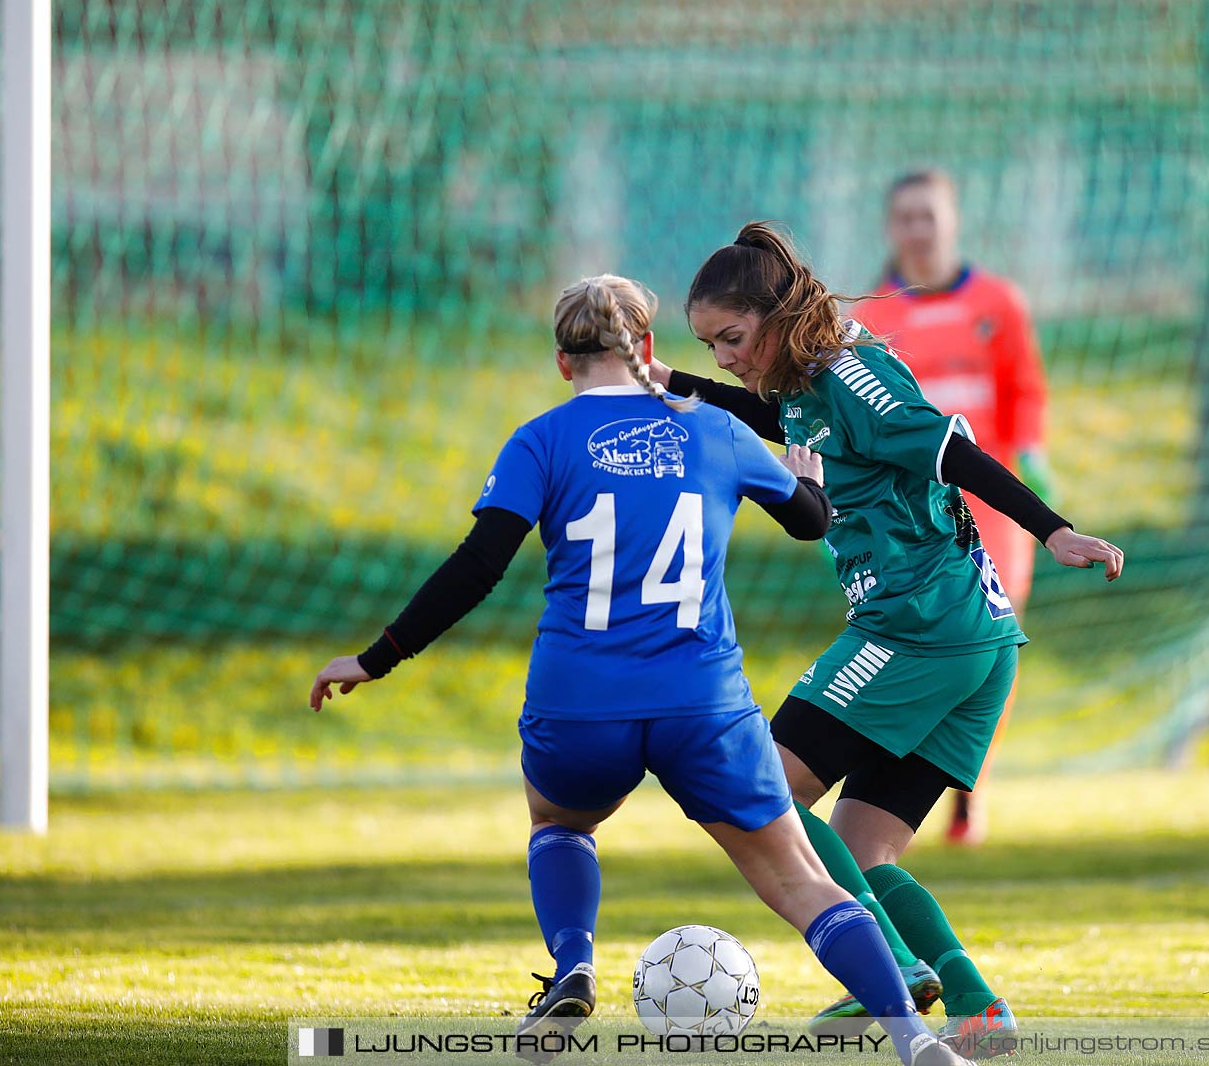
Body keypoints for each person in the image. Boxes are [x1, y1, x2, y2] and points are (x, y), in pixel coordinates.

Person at [307, 275, 968, 1066]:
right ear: (648, 349)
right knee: (801, 882)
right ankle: (915, 1041)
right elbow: (807, 522)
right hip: (704, 705)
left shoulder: (540, 441)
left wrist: (378, 658)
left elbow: (476, 566)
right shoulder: (716, 431)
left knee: (560, 823)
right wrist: (812, 484)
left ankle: (573, 961)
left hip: (580, 700)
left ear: (563, 361)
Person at [652, 223, 1123, 1059]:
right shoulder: (802, 380)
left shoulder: (853, 375)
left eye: (731, 338)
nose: (722, 357)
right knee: (864, 848)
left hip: (920, 627)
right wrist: (668, 381)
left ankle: (891, 972)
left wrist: (1052, 532)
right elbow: (772, 415)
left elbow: (954, 453)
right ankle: (976, 1008)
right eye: (708, 344)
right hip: (963, 639)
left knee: (761, 787)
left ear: (776, 315)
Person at [851, 168, 1050, 846]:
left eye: (928, 215)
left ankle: (971, 786)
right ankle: (897, 783)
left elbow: (1025, 392)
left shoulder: (1000, 301)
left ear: (952, 220)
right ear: (889, 227)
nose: (917, 229)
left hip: (990, 496)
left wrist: (1034, 459)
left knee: (992, 638)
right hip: (908, 507)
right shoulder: (871, 318)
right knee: (910, 636)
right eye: (904, 216)